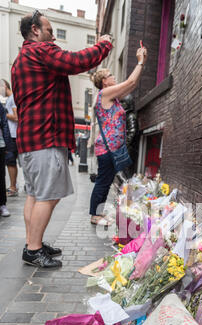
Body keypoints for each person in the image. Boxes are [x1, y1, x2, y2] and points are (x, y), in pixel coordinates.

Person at [11, 10, 112, 267]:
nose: (52, 35)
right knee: (48, 195)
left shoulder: (20, 59)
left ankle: (32, 242)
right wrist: (104, 44)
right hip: (45, 137)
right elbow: (76, 61)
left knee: (35, 195)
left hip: (29, 140)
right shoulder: (41, 51)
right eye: (48, 29)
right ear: (35, 29)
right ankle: (33, 249)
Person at [89, 45, 148, 226]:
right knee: (103, 181)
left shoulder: (112, 97)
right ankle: (95, 215)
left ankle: (98, 214)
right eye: (111, 76)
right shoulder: (105, 94)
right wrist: (139, 62)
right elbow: (130, 83)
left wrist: (142, 64)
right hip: (107, 149)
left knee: (106, 181)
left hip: (113, 149)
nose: (114, 77)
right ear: (104, 81)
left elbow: (133, 84)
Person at [2, 79, 19, 197]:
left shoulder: (12, 98)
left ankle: (13, 187)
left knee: (10, 161)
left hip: (13, 135)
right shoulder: (10, 98)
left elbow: (17, 117)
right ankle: (14, 186)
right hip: (12, 134)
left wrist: (4, 114)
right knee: (10, 161)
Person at [120, 94, 139, 178]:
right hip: (126, 148)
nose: (121, 105)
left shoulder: (131, 116)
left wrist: (125, 144)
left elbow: (132, 131)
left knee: (128, 171)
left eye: (123, 103)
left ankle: (128, 187)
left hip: (129, 149)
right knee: (124, 170)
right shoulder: (126, 116)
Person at [0, 103, 12, 217]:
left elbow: (4, 125)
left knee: (1, 176)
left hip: (0, 145)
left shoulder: (0, 107)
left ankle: (2, 204)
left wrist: (7, 145)